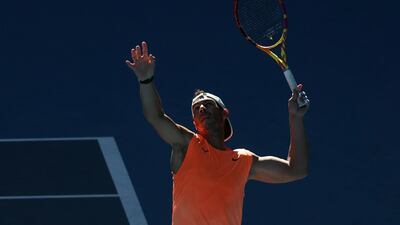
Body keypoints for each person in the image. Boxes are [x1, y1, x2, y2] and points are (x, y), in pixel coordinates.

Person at [125, 41, 309, 225]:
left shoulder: (243, 161)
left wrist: (295, 117)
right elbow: (156, 117)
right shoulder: (186, 145)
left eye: (208, 104)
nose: (202, 108)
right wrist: (145, 81)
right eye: (196, 109)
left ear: (224, 113)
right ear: (195, 123)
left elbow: (296, 170)